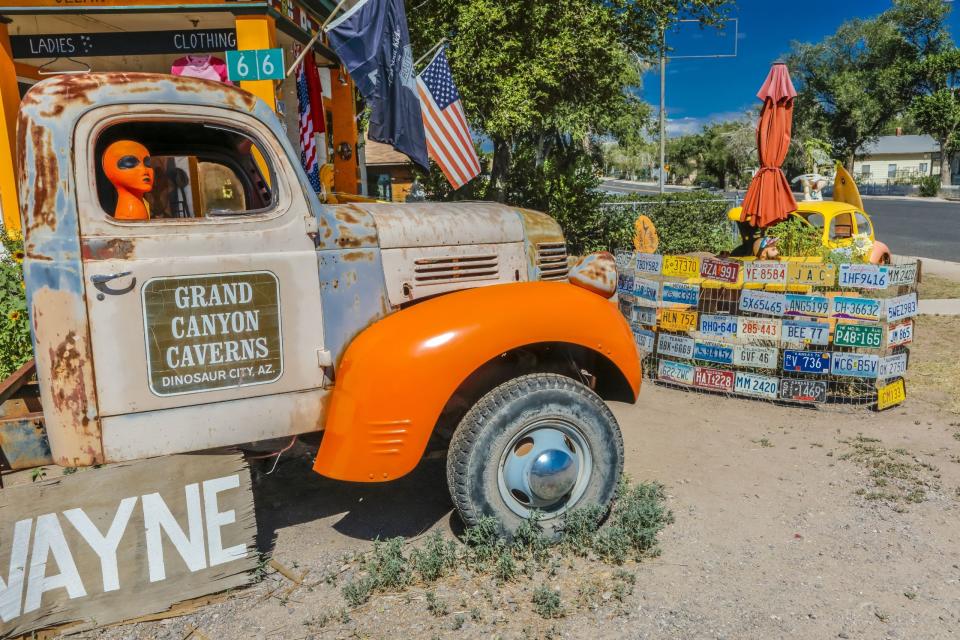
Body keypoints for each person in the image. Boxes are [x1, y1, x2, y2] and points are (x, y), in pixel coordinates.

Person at [103, 140, 154, 220]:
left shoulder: (146, 203)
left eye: (147, 163)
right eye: (130, 163)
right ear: (109, 170)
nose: (144, 170)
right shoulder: (127, 214)